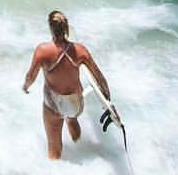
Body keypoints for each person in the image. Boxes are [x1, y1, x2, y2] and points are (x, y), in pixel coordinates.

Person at [22, 10, 114, 160]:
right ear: (65, 28)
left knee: (54, 146)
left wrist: (25, 87)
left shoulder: (42, 51)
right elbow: (100, 78)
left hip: (53, 105)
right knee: (71, 118)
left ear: (50, 28)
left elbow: (30, 77)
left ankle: (58, 173)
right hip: (75, 104)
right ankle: (78, 146)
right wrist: (108, 101)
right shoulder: (80, 50)